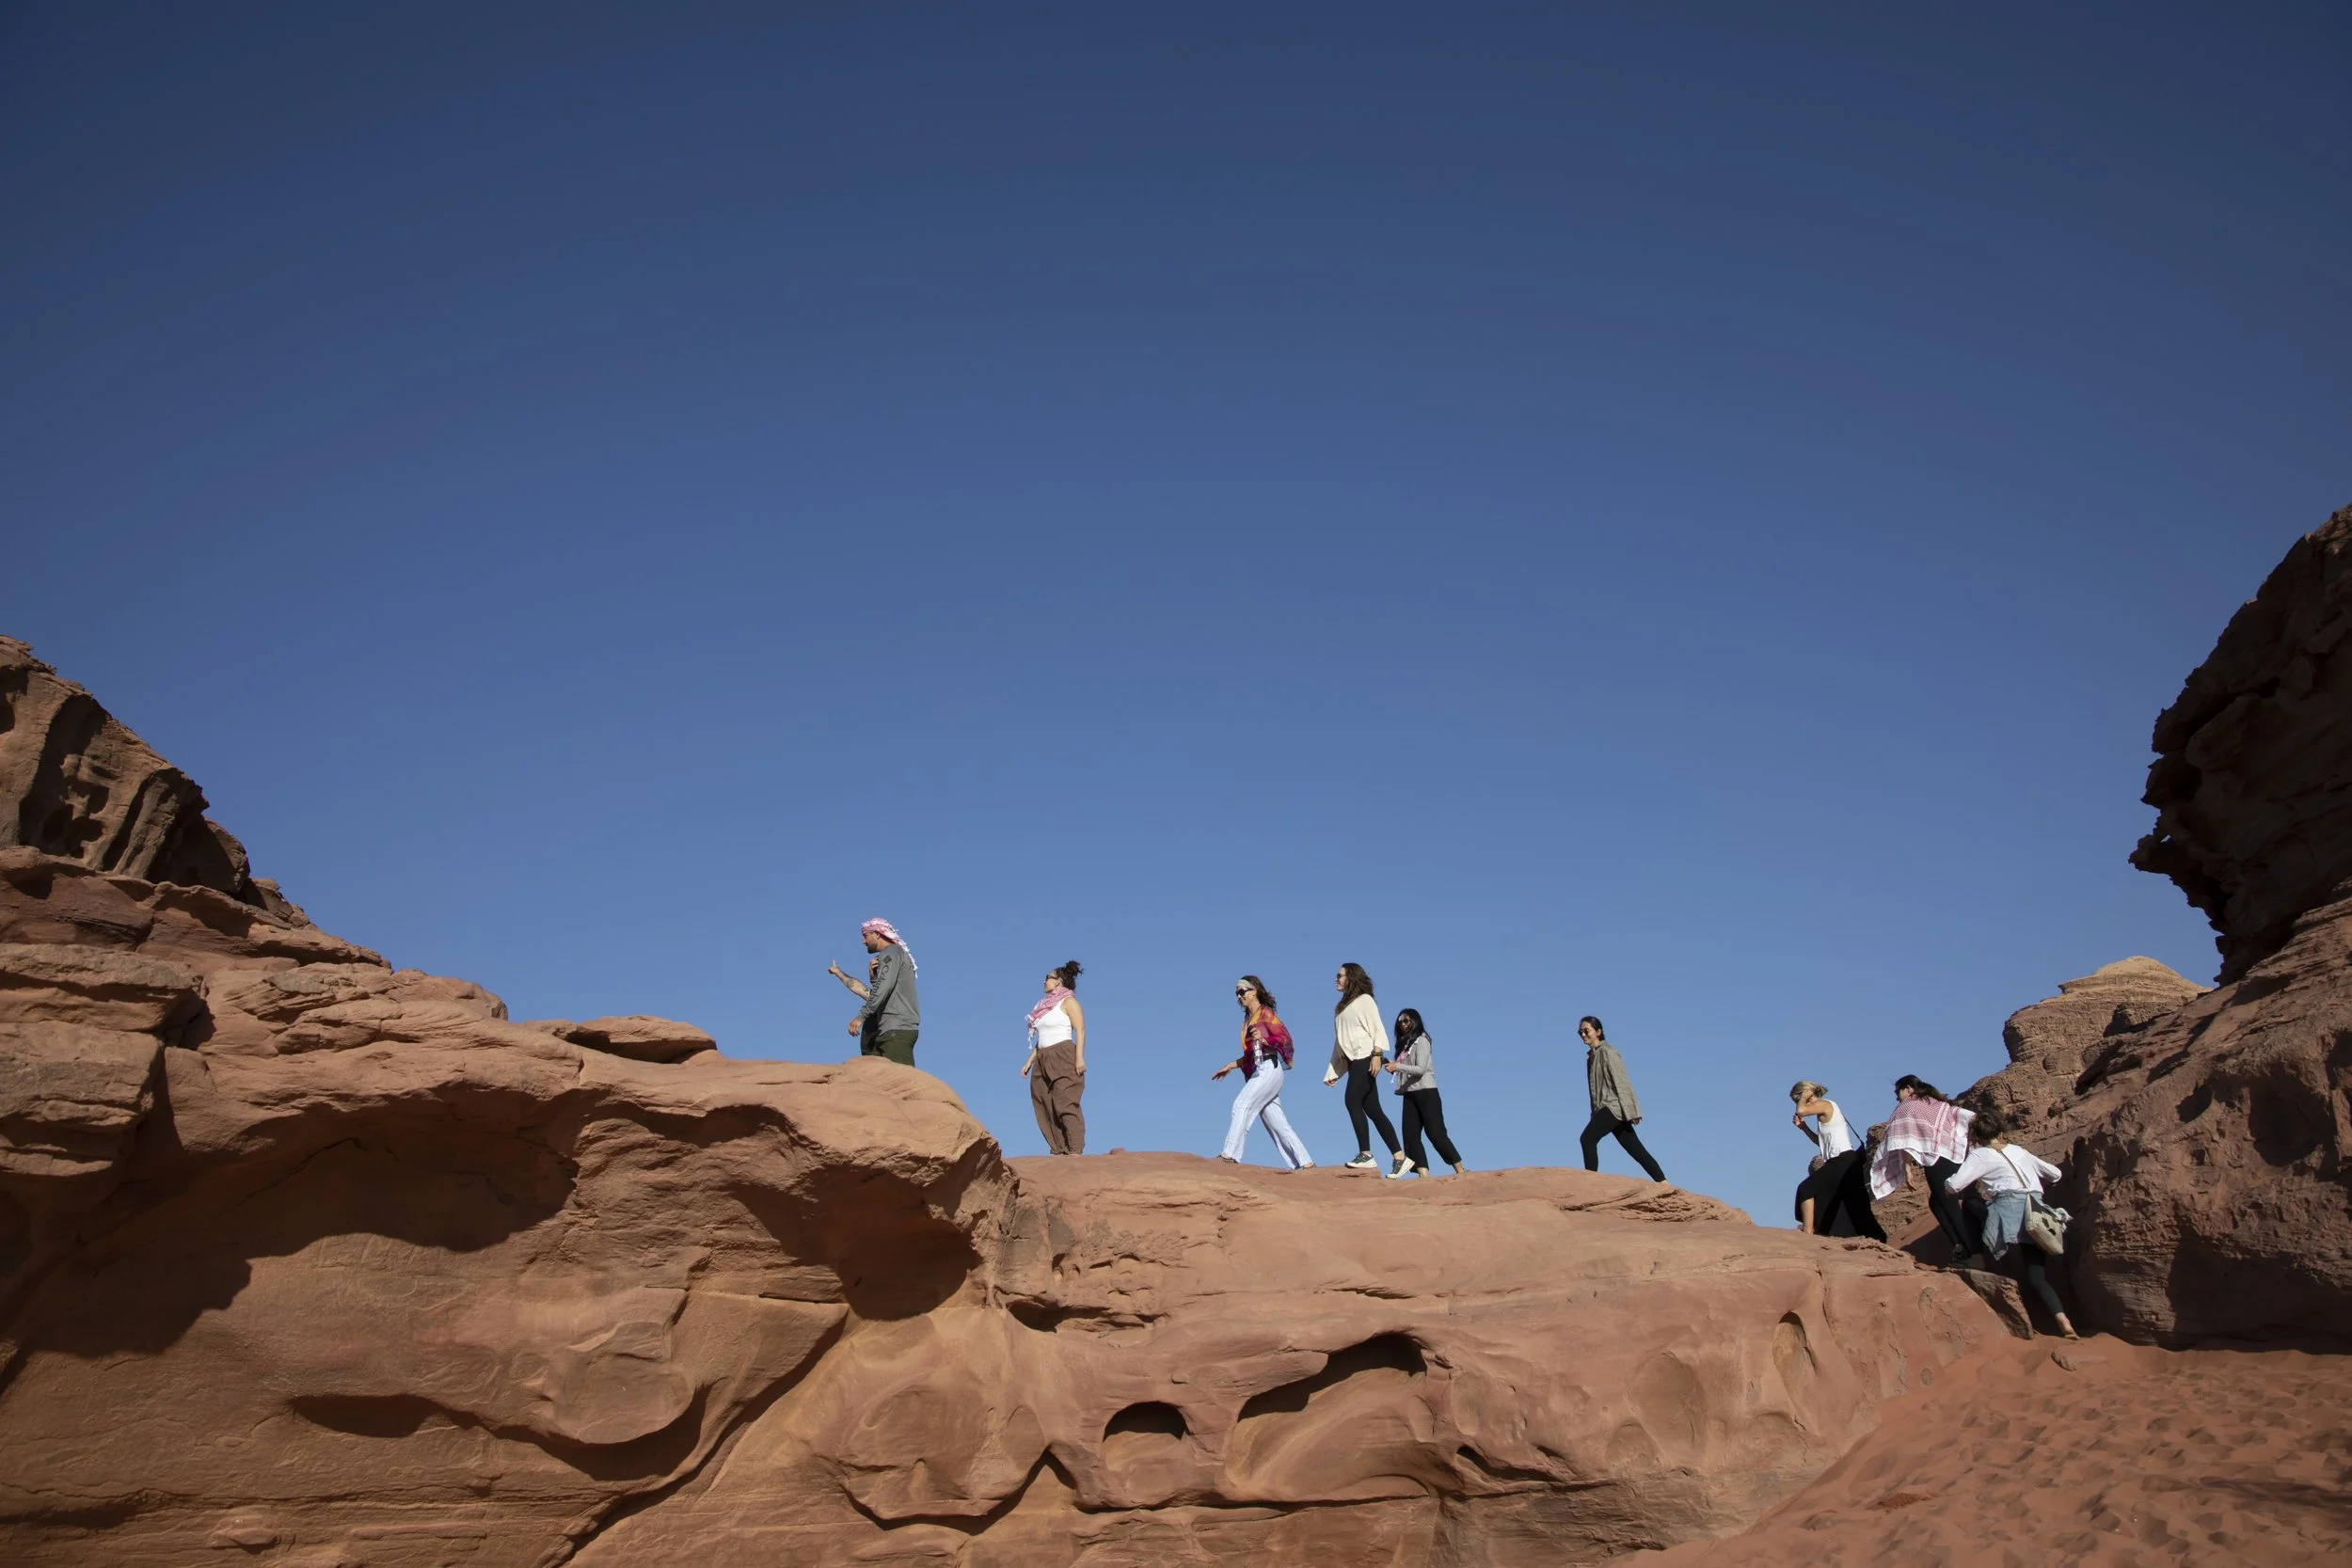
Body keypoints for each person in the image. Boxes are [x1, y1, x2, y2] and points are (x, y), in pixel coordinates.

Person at [1942, 1107, 2077, 1338]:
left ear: (1977, 1136)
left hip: (2007, 1215)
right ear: (2000, 1131)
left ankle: (1977, 1259)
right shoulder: (2019, 1150)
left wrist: (1946, 1185)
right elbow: (2055, 1174)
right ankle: (2063, 1321)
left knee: (1970, 1205)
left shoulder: (1979, 1155)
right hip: (2036, 1214)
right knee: (2037, 1278)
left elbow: (1955, 1186)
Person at [1867, 1075, 1979, 1260]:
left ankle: (1972, 1252)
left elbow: (1903, 1138)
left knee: (1948, 1204)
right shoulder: (1935, 1103)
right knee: (1936, 1203)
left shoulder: (1908, 1106)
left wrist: (1907, 1168)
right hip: (1952, 1155)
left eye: (1897, 1092)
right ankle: (1961, 1246)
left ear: (1908, 1088)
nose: (1896, 1097)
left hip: (1936, 1160)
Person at [1211, 975, 1313, 1169]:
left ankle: (1230, 1155)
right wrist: (1231, 1065)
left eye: (1242, 991)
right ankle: (1305, 1163)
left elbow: (1285, 1039)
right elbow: (1251, 1055)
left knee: (1241, 1104)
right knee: (1277, 1124)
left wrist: (1265, 1039)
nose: (1239, 996)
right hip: (1260, 1070)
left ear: (1254, 991)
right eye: (1237, 993)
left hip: (1269, 1068)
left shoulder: (1265, 1013)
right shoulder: (1247, 1021)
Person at [1326, 962, 1404, 1173]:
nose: (1336, 979)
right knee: (1373, 1110)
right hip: (1354, 1061)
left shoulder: (1364, 1000)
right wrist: (1334, 1071)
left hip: (1366, 1056)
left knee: (1352, 1100)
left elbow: (1377, 1028)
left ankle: (1366, 1154)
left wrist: (1377, 1055)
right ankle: (1400, 1157)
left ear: (1351, 977)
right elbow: (1340, 1042)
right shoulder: (1341, 1008)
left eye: (1340, 975)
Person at [1790, 1080, 1885, 1240]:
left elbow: (1801, 1110)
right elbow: (1821, 1143)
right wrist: (1804, 1128)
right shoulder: (1823, 1111)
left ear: (1808, 1094)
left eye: (1798, 1099)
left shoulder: (1825, 1104)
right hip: (1844, 1162)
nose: (1799, 1103)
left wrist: (1804, 1096)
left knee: (1806, 1189)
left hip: (1842, 1160)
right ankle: (1879, 1239)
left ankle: (1808, 1234)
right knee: (1855, 1208)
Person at [1578, 1016, 1666, 1180]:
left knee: (1587, 1139)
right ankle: (1663, 1182)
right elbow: (1595, 1092)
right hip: (1605, 1109)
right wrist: (1595, 1116)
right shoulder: (1591, 1057)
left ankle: (1590, 1182)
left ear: (1598, 1032)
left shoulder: (1608, 1052)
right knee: (1635, 1149)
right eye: (1580, 1032)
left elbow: (1622, 1081)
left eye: (1586, 1031)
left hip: (1614, 1107)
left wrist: (1633, 1111)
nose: (1583, 1034)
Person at [828, 917, 920, 1066]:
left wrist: (861, 1016)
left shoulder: (891, 952)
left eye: (865, 936)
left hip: (897, 1028)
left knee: (900, 1078)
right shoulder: (893, 955)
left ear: (877, 934)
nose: (863, 941)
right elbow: (876, 993)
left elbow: (883, 988)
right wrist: (870, 977)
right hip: (891, 1029)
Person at [1384, 1007, 1464, 1176]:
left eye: (1406, 1021)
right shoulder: (1405, 1045)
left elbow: (1420, 1069)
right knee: (1410, 1136)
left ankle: (1460, 1169)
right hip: (1409, 1093)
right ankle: (1423, 1175)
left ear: (1415, 1021)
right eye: (1400, 1022)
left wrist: (1397, 1066)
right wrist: (1393, 1068)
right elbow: (1407, 1069)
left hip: (1426, 1092)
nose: (1403, 1024)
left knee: (1436, 1133)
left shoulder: (1422, 1040)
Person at [1019, 960, 1086, 1155]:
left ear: (1058, 981)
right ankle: (1059, 1150)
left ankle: (1075, 1150)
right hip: (1042, 1058)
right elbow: (1042, 1038)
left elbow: (1080, 1029)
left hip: (1063, 1055)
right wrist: (1029, 1061)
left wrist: (1079, 1057)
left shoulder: (1069, 1002)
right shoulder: (1045, 1007)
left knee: (1065, 1102)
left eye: (1048, 977)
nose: (1044, 981)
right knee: (1044, 1104)